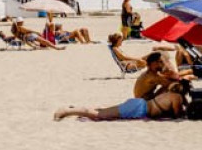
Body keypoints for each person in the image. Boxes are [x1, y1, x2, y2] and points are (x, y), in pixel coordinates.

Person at [53, 52, 187, 121]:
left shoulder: (152, 74)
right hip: (139, 105)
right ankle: (67, 111)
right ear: (151, 64)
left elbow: (172, 81)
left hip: (141, 104)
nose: (161, 65)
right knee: (100, 115)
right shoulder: (152, 76)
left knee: (103, 112)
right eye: (158, 62)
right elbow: (173, 80)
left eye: (161, 62)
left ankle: (74, 109)